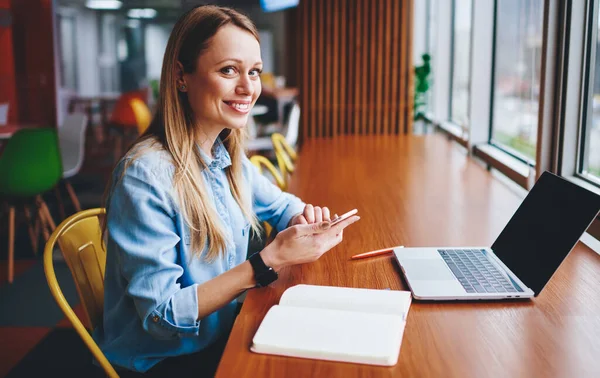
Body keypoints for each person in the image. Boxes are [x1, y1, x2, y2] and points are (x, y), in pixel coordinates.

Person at [94, 5, 359, 377]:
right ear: (181, 76)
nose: (248, 87)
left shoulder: (226, 157)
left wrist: (304, 219)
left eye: (254, 72)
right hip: (166, 360)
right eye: (228, 70)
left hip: (222, 334)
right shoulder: (145, 176)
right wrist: (266, 263)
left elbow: (284, 205)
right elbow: (160, 317)